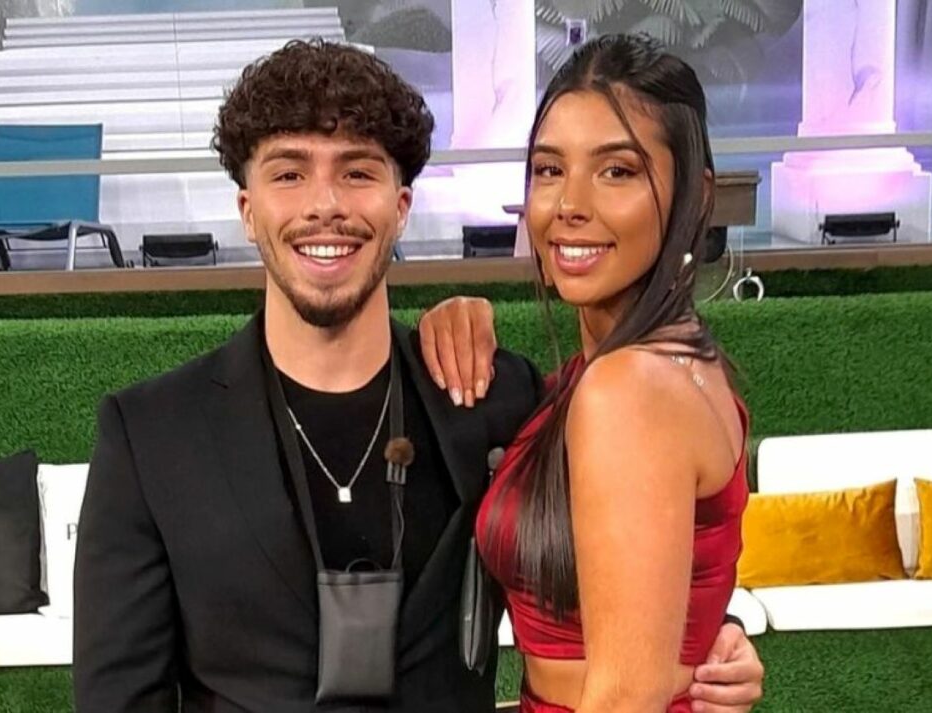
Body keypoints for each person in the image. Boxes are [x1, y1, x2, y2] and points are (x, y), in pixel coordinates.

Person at [73, 39, 761, 713]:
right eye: (288, 174)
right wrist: (708, 631)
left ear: (400, 207)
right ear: (248, 211)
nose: (324, 204)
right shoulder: (150, 436)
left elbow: (634, 548)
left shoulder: (497, 397)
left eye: (357, 173)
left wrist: (705, 632)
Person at [419, 34, 753, 713]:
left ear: (696, 195)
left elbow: (627, 696)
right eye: (549, 169)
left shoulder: (626, 389)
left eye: (617, 171)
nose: (569, 204)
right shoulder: (677, 362)